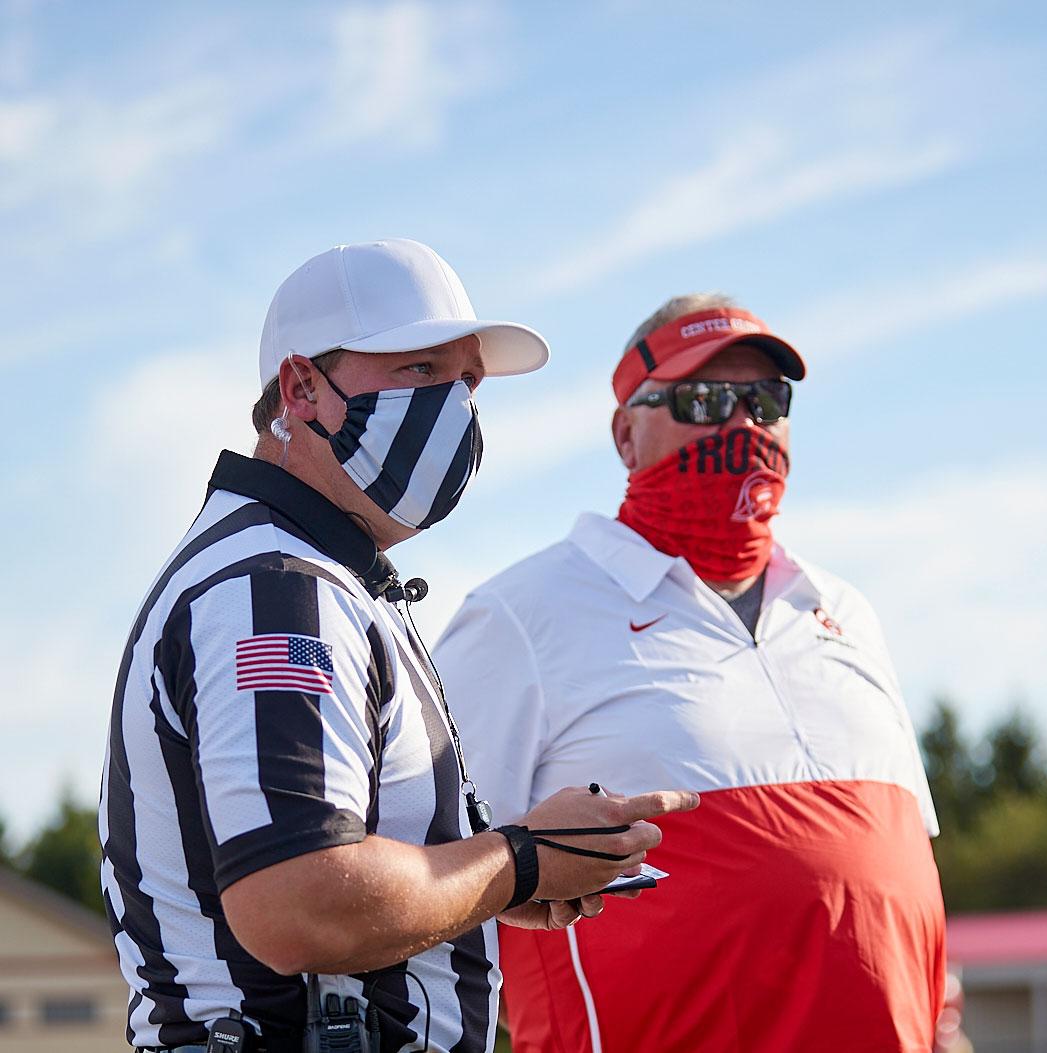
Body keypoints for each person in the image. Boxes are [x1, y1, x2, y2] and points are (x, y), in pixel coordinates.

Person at [99, 239, 699, 1053]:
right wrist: (519, 860)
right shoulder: (276, 588)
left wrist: (486, 884)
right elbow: (296, 901)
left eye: (467, 382)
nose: (453, 409)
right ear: (301, 387)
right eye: (419, 372)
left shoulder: (312, 577)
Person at [433, 294, 946, 1052]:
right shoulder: (518, 615)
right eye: (702, 399)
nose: (740, 426)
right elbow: (424, 888)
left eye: (764, 400)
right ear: (625, 435)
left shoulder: (846, 611)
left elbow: (901, 876)